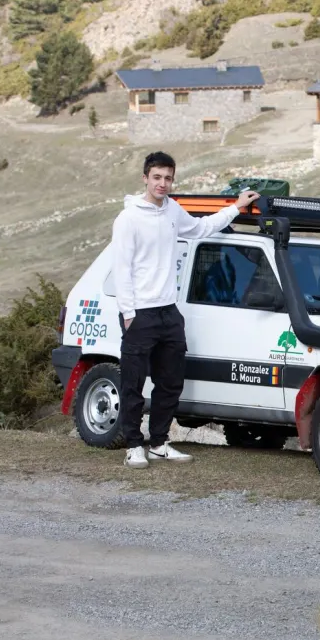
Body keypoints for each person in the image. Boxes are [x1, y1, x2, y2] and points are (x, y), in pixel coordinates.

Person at [112, 151, 261, 469]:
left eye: (168, 178)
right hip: (140, 313)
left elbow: (200, 229)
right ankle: (134, 446)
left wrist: (235, 207)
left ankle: (159, 443)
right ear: (145, 178)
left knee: (170, 381)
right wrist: (128, 313)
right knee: (133, 383)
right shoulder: (128, 218)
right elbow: (121, 269)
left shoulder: (171, 211)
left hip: (168, 312)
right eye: (157, 177)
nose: (162, 184)